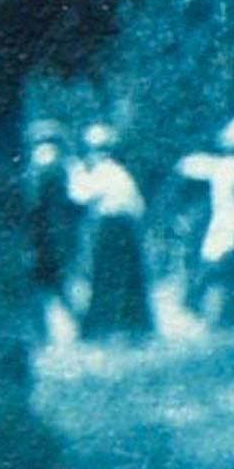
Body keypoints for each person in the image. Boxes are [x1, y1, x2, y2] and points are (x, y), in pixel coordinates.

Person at [176, 112, 234, 330]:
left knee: (218, 260)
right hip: (231, 215)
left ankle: (203, 303)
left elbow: (196, 165)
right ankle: (200, 302)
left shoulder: (228, 165)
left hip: (229, 215)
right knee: (220, 260)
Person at [70, 122, 153, 341]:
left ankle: (102, 329)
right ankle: (133, 327)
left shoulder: (103, 171)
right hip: (126, 228)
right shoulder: (119, 171)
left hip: (111, 228)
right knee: (128, 278)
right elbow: (139, 205)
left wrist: (75, 170)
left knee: (107, 277)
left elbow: (80, 195)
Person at [24, 120, 81, 332]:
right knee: (56, 281)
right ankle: (68, 325)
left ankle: (44, 330)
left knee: (49, 280)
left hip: (47, 229)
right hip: (55, 229)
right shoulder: (64, 164)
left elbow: (36, 199)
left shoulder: (44, 163)